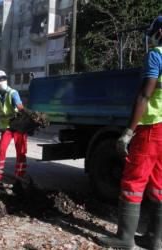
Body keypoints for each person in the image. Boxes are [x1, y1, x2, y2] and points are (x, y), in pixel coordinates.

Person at [98, 16, 162, 250]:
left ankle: (125, 239)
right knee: (158, 183)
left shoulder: (157, 55)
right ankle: (155, 239)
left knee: (133, 180)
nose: (153, 38)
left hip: (151, 127)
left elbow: (145, 95)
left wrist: (128, 132)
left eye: (154, 33)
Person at [0, 70, 28, 192]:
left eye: (3, 79)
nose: (1, 82)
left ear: (6, 80)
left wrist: (27, 120)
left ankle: (19, 179)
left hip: (19, 127)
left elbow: (20, 108)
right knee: (1, 150)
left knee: (20, 153)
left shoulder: (13, 93)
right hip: (7, 128)